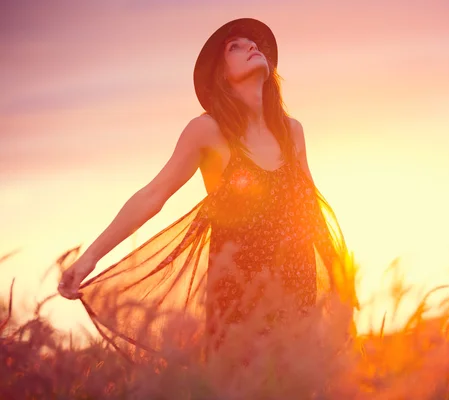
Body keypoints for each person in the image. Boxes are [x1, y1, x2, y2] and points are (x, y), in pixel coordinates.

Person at [57, 18, 358, 359]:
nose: (251, 47)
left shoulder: (292, 132)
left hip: (295, 286)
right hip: (238, 293)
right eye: (236, 47)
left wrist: (340, 278)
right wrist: (89, 258)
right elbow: (153, 195)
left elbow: (310, 209)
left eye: (253, 44)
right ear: (222, 75)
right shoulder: (206, 131)